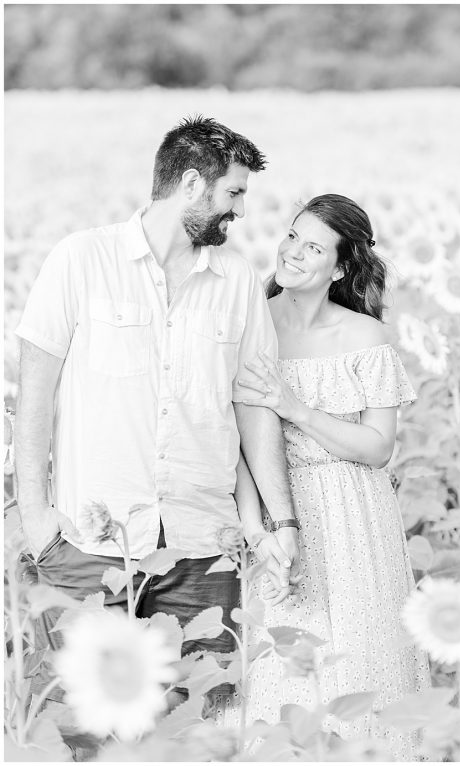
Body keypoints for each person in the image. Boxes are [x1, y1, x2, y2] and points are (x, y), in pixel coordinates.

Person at [13, 115, 300, 711]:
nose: (241, 211)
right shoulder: (80, 261)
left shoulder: (238, 281)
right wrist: (38, 521)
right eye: (234, 193)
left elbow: (253, 409)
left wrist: (280, 522)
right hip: (89, 545)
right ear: (192, 184)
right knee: (82, 727)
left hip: (202, 546)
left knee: (204, 725)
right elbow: (33, 396)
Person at [212, 194, 429, 758]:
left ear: (339, 267)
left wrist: (298, 409)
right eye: (291, 236)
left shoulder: (364, 337)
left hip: (355, 512)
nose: (294, 253)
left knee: (361, 660)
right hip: (277, 506)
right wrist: (255, 528)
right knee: (283, 666)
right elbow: (235, 439)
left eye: (314, 247)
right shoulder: (249, 323)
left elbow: (379, 447)